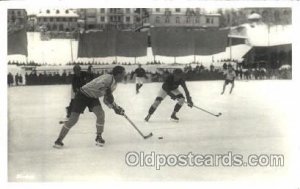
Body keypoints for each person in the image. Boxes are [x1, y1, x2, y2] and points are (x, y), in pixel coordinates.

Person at [54, 66, 126, 148]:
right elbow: (99, 85)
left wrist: (115, 108)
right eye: (123, 74)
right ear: (118, 74)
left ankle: (98, 137)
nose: (124, 76)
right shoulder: (108, 78)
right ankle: (59, 140)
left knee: (101, 114)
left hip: (93, 98)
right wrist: (107, 92)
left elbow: (106, 100)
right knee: (73, 120)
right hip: (82, 95)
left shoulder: (114, 85)